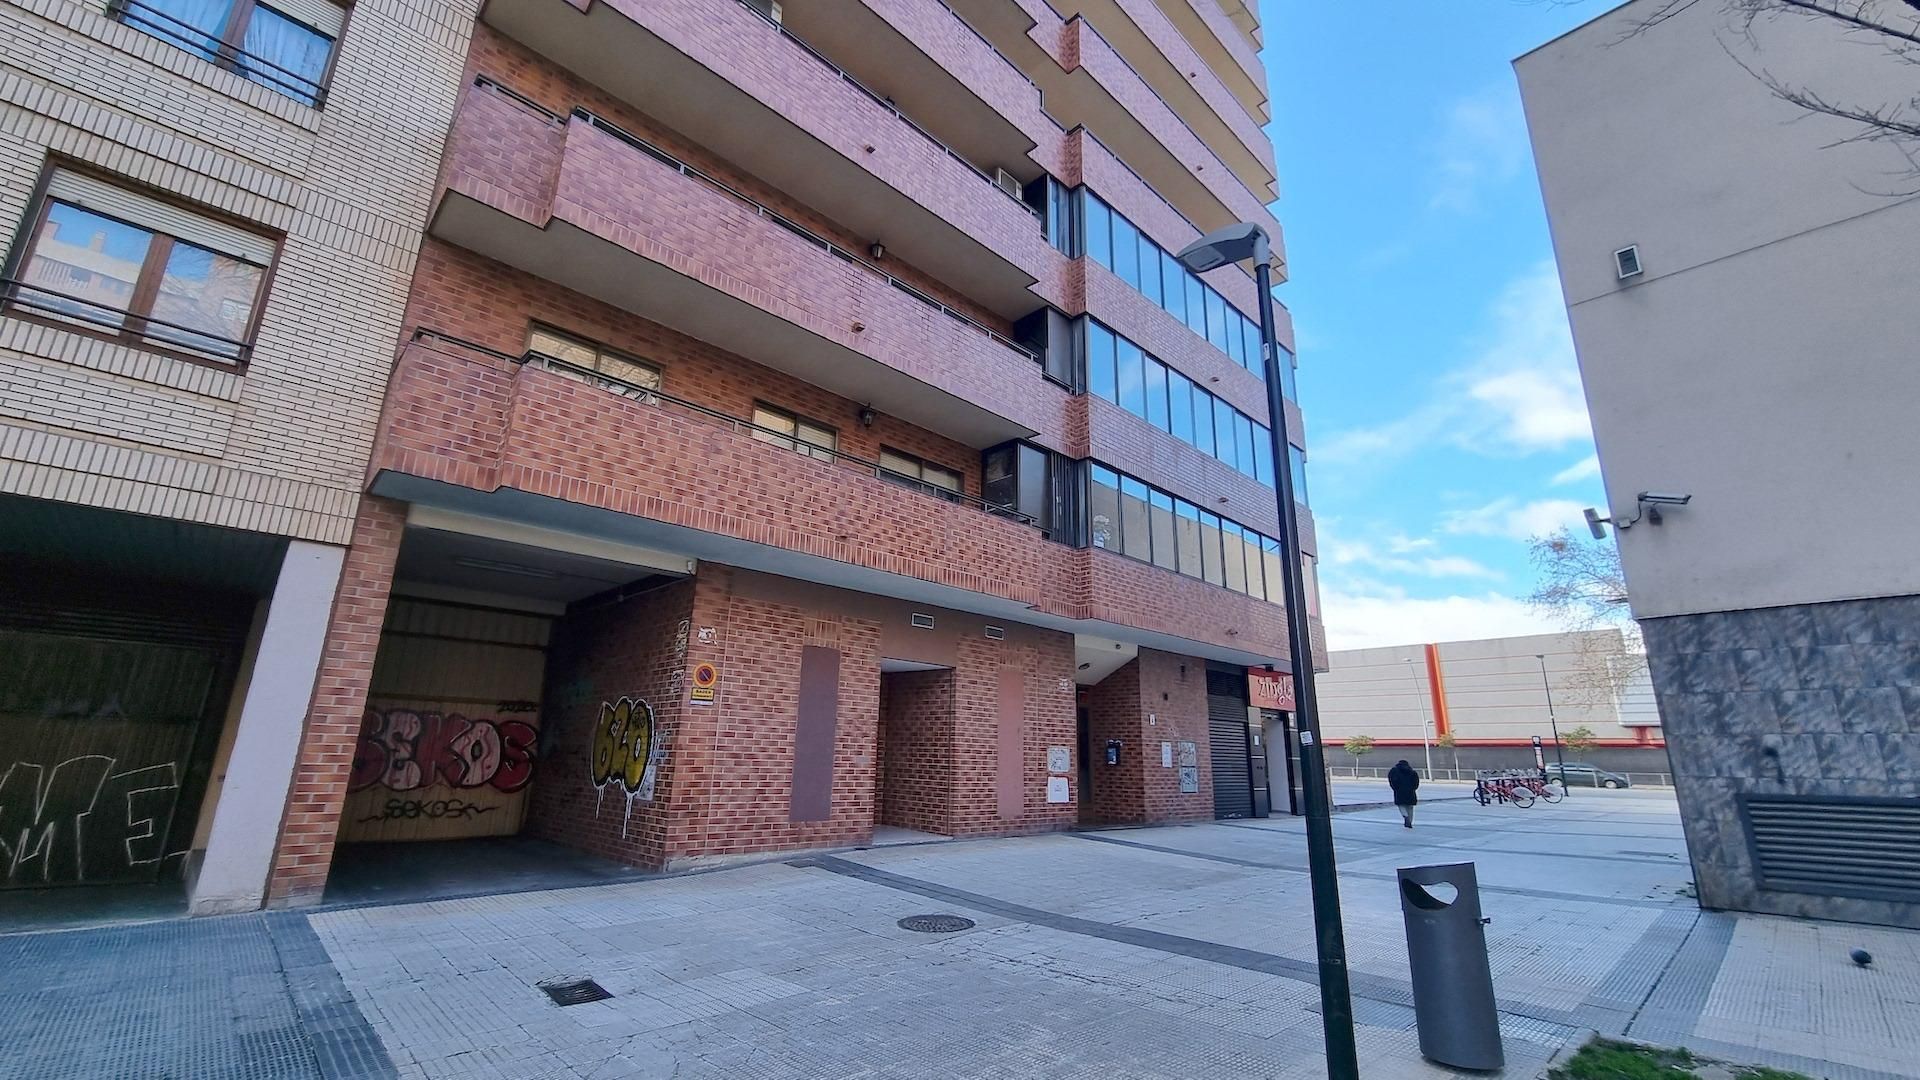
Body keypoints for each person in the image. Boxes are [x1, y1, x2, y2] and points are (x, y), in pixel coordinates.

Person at [1387, 759, 1420, 828]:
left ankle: (1405, 816)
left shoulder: (1394, 771)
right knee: (1410, 807)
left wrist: (1395, 788)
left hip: (1399, 791)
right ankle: (1410, 822)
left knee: (1401, 805)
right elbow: (1416, 782)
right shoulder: (1412, 772)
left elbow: (1391, 780)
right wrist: (1413, 788)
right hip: (1410, 792)